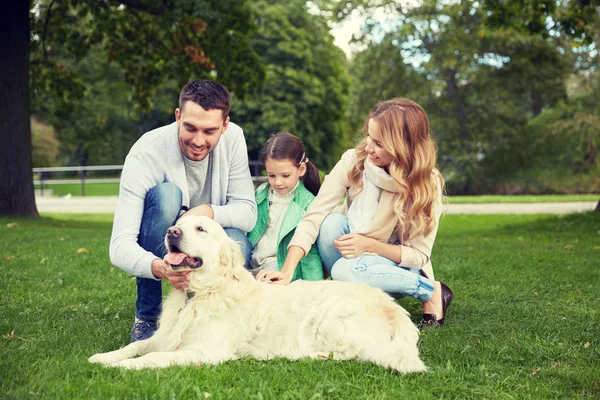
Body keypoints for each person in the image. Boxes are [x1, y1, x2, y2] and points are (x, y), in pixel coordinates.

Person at [257, 98, 453, 328]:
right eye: (370, 136)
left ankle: (430, 290)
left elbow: (419, 256)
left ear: (404, 146)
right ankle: (356, 297)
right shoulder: (355, 160)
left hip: (394, 266)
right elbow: (314, 214)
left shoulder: (426, 183)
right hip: (354, 256)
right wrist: (287, 271)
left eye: (379, 143)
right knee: (330, 223)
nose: (369, 147)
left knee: (342, 269)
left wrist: (370, 245)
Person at [110, 79, 257, 341]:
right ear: (178, 116)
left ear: (225, 125)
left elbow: (247, 212)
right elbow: (119, 245)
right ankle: (147, 318)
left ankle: (208, 316)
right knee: (167, 196)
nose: (198, 141)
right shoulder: (146, 151)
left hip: (205, 239)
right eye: (190, 127)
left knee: (236, 241)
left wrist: (204, 213)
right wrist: (159, 267)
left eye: (210, 131)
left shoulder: (234, 138)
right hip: (163, 235)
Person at [247, 132, 324, 281]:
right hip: (252, 262)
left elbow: (310, 250)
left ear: (301, 169)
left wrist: (314, 285)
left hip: (279, 265)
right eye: (272, 175)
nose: (278, 182)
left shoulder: (308, 203)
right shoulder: (261, 193)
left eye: (285, 175)